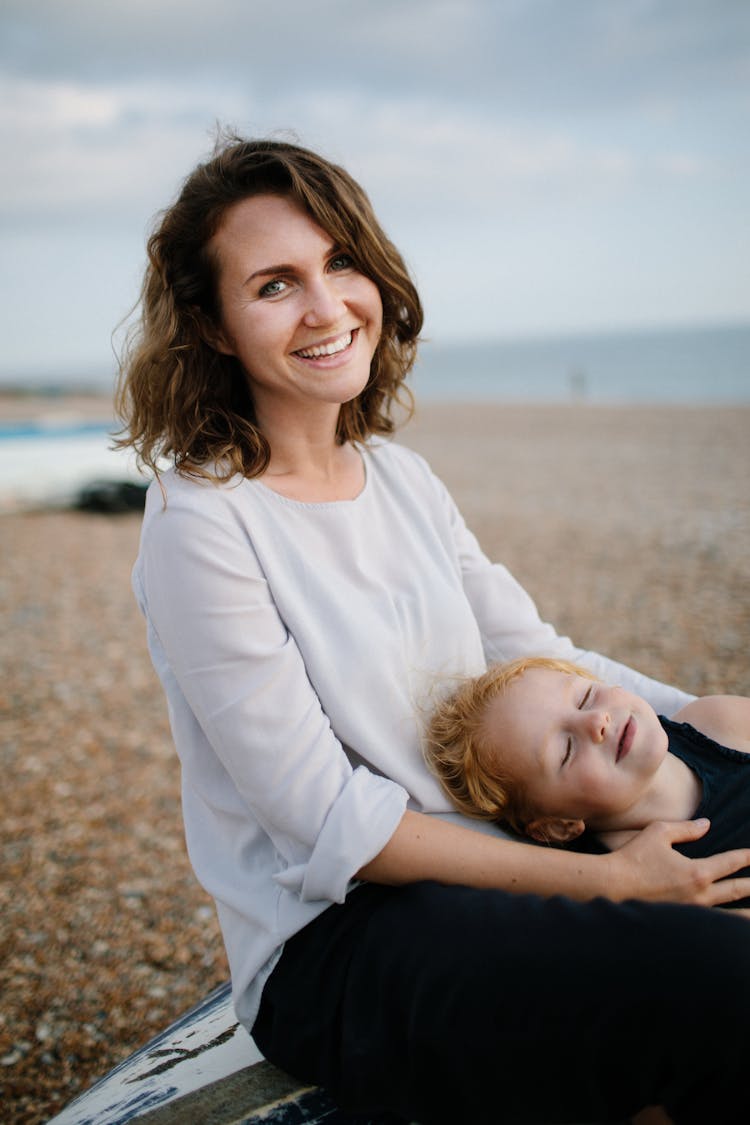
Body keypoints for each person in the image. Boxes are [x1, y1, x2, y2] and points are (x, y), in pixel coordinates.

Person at [116, 134, 750, 1125]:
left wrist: (705, 716)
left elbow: (534, 647)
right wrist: (617, 882)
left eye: (339, 264)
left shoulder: (399, 477)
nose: (327, 309)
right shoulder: (205, 523)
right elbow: (333, 825)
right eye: (276, 285)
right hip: (347, 940)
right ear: (210, 324)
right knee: (721, 975)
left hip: (501, 852)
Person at [425, 655, 750, 910]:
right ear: (558, 826)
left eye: (586, 698)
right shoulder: (650, 885)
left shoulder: (718, 721)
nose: (597, 721)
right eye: (566, 749)